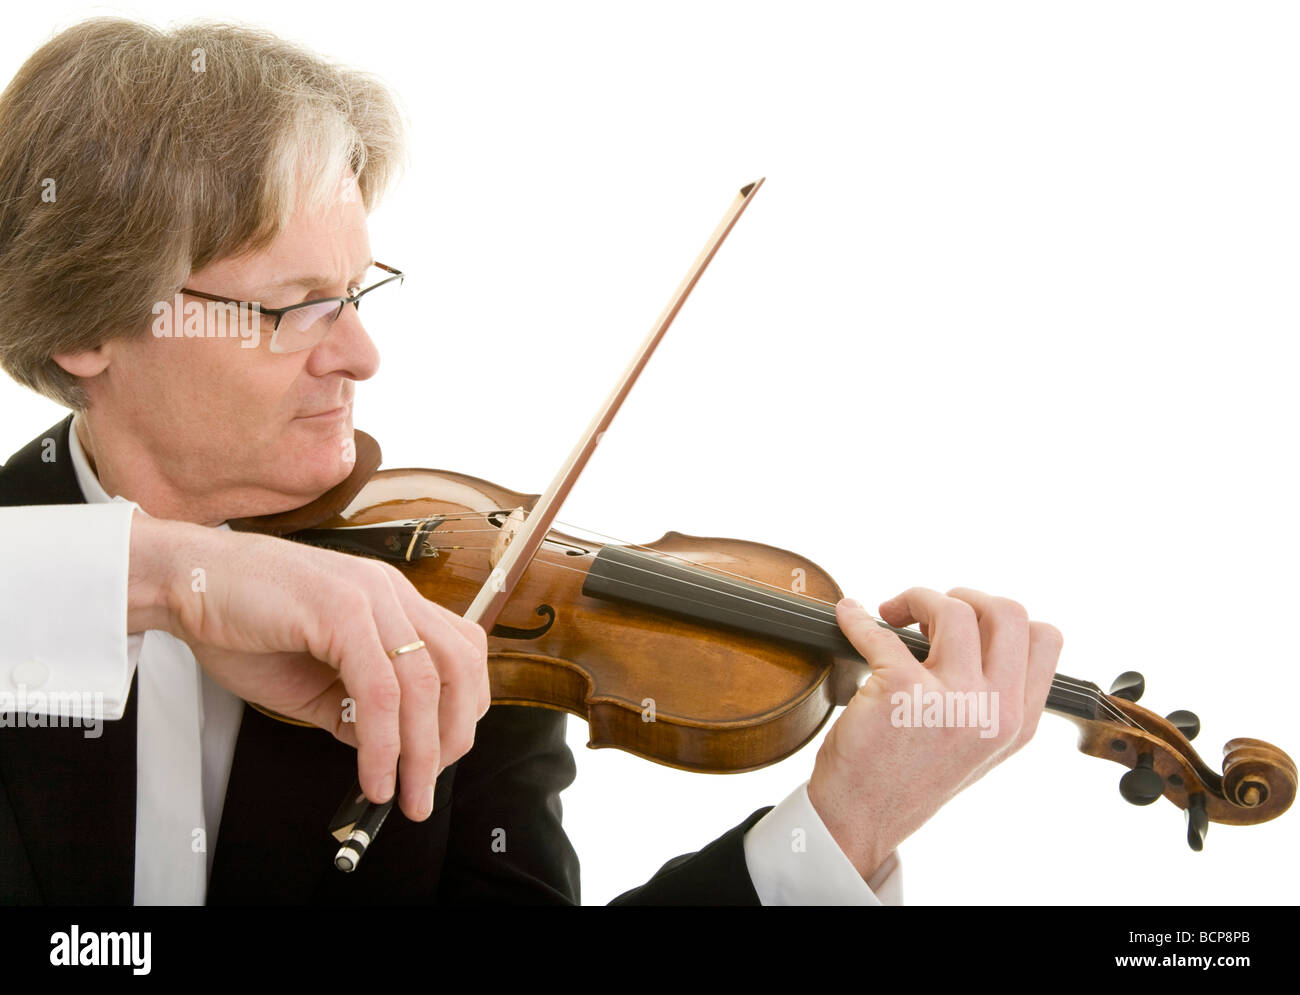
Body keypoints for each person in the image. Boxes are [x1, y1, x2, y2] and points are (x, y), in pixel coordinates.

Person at [0, 17, 1062, 905]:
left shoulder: (463, 603)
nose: (362, 353)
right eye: (291, 307)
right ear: (89, 326)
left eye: (358, 291)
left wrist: (845, 822)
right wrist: (172, 579)